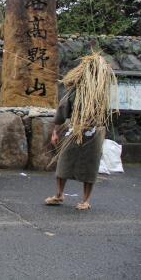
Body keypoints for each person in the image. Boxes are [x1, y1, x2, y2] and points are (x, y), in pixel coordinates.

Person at [45, 52, 117, 210]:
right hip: (74, 130)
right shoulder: (75, 89)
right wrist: (55, 132)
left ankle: (86, 200)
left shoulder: (101, 91)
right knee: (64, 162)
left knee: (90, 166)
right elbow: (62, 110)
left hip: (94, 133)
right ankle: (59, 195)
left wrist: (91, 123)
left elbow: (106, 113)